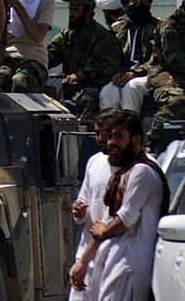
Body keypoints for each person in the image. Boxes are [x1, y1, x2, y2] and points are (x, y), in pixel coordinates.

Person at [70, 110, 169, 299]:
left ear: (136, 140)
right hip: (108, 259)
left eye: (118, 137)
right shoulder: (121, 171)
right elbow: (104, 222)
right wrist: (84, 260)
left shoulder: (142, 170)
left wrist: (101, 235)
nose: (110, 143)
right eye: (110, 137)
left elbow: (124, 219)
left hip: (128, 263)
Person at [47, 0, 126, 123]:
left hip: (94, 83)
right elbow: (51, 55)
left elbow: (110, 65)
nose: (71, 14)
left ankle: (86, 130)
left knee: (88, 98)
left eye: (75, 10)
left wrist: (79, 75)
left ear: (88, 12)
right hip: (69, 85)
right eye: (70, 9)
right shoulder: (66, 35)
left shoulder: (102, 36)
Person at [68, 112, 114, 301]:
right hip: (86, 256)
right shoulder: (94, 162)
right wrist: (79, 212)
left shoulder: (137, 168)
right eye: (97, 133)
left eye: (106, 133)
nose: (101, 138)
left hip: (113, 257)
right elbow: (84, 201)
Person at [0, 0, 55, 92]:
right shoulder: (0, 2)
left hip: (34, 60)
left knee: (20, 81)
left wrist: (16, 5)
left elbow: (38, 36)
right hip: (6, 58)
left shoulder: (45, 3)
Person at [99, 0, 161, 114]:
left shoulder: (160, 28)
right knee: (108, 92)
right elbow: (111, 56)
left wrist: (135, 73)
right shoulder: (118, 29)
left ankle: (130, 124)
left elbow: (158, 59)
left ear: (149, 3)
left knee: (132, 87)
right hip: (123, 75)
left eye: (142, 0)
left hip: (149, 75)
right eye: (134, 1)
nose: (138, 4)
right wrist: (117, 73)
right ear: (126, 5)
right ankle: (109, 125)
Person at [144, 0, 185, 153]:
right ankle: (152, 141)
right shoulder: (171, 27)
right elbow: (172, 61)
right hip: (166, 73)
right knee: (178, 100)